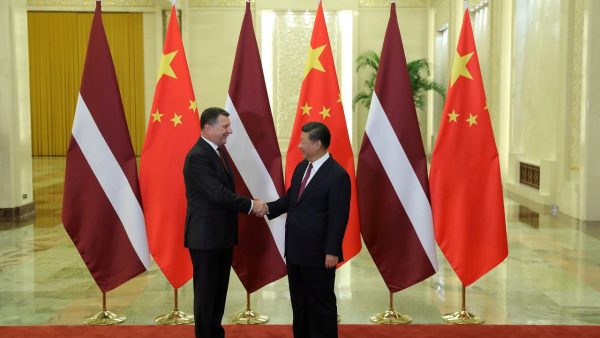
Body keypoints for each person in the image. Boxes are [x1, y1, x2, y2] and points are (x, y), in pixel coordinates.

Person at [183, 107, 266, 338]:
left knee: (218, 292)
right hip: (206, 237)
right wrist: (251, 205)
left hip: (221, 236)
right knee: (206, 294)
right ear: (208, 128)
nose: (230, 131)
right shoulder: (198, 156)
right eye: (225, 127)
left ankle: (215, 333)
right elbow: (217, 193)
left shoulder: (216, 152)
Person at [267, 122, 351, 338]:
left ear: (318, 143)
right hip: (295, 250)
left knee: (320, 305)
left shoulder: (338, 175)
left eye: (303, 141)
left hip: (319, 254)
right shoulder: (301, 168)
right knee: (300, 303)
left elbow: (339, 216)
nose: (299, 146)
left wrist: (332, 250)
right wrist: (266, 208)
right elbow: (291, 199)